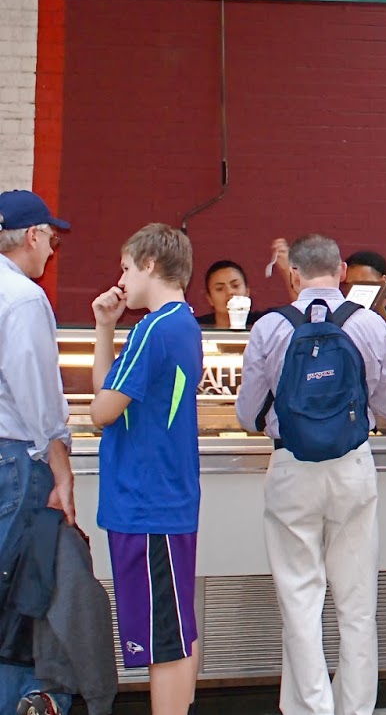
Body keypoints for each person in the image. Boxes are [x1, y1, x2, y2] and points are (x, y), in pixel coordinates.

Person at [235, 235, 386, 715]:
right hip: (352, 466)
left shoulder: (269, 326)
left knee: (300, 599)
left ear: (293, 274)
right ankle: (355, 708)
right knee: (357, 603)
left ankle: (311, 708)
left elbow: (247, 415)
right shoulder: (368, 323)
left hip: (291, 467)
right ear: (342, 271)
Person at [88, 224, 202, 715]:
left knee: (163, 640)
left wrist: (109, 331)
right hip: (165, 499)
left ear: (151, 264)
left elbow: (101, 410)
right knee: (176, 627)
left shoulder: (153, 328)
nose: (121, 279)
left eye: (127, 268)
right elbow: (111, 397)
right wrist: (105, 327)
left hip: (146, 501)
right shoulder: (183, 324)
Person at [0, 190, 75, 715]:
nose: (51, 249)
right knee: (21, 594)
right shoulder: (23, 298)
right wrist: (60, 465)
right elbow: (38, 394)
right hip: (15, 461)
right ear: (31, 235)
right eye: (50, 238)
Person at [193, 259, 263, 327]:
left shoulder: (262, 323)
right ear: (209, 298)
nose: (229, 292)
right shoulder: (196, 326)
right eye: (220, 289)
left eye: (235, 286)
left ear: (247, 292)